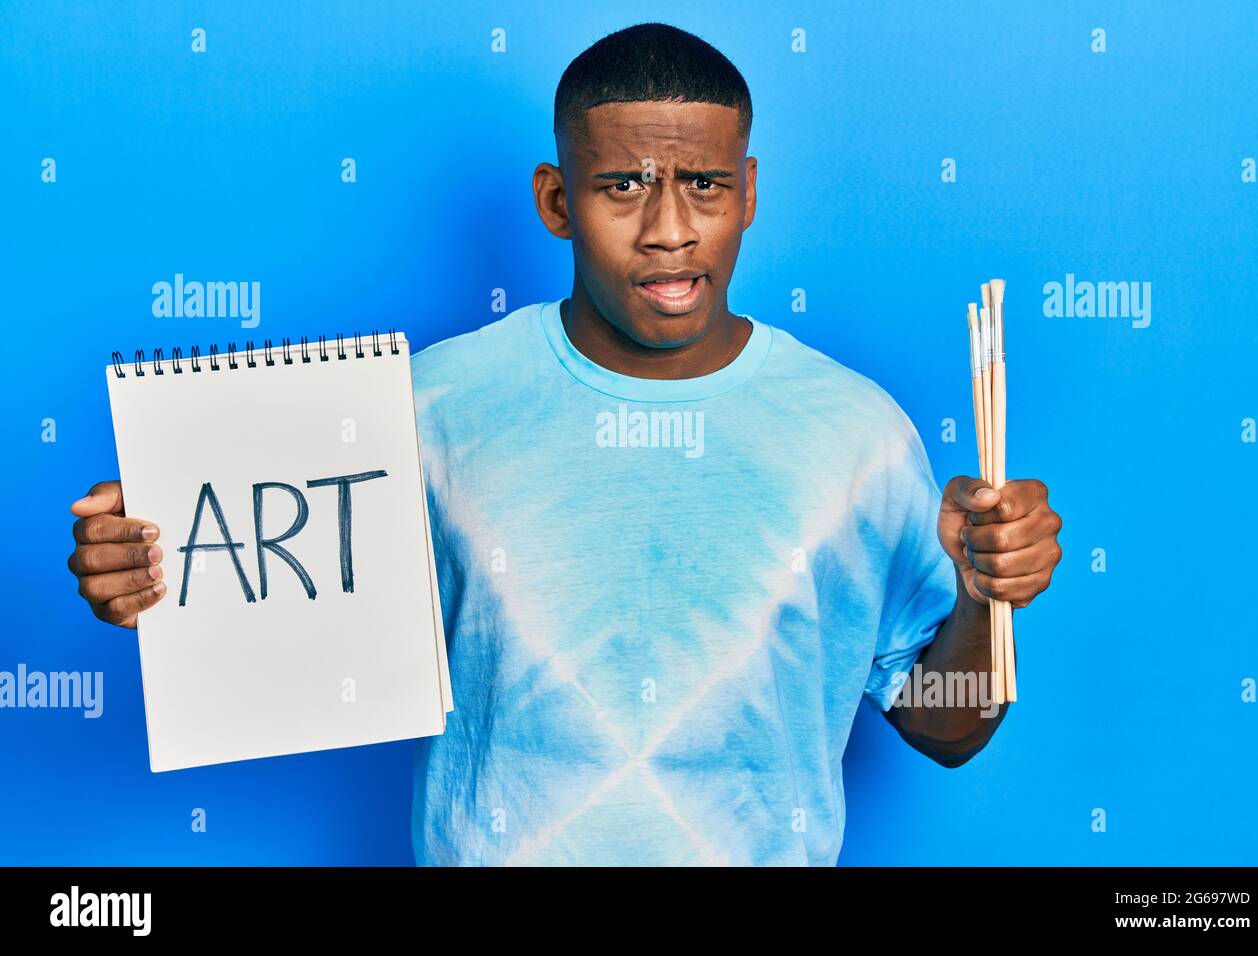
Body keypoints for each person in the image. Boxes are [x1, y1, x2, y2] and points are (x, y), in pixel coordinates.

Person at [65, 22, 1062, 865]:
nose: (669, 230)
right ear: (555, 200)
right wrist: (153, 575)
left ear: (749, 193)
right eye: (623, 185)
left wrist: (984, 595)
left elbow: (947, 727)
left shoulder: (857, 433)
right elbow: (281, 608)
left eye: (705, 186)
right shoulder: (425, 407)